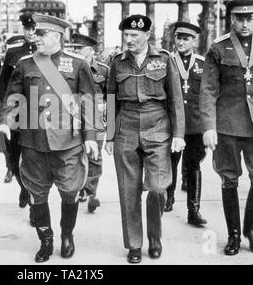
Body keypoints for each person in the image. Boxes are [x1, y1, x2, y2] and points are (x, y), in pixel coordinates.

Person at [0, 14, 98, 263]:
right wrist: (5, 122)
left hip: (68, 143)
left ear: (57, 37)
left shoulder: (77, 64)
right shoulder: (24, 64)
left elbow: (89, 103)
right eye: (36, 33)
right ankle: (46, 239)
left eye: (42, 34)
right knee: (36, 194)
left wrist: (91, 137)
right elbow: (12, 98)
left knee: (70, 191)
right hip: (34, 142)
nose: (36, 38)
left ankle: (67, 234)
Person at [105, 14, 185, 264]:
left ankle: (155, 237)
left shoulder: (163, 59)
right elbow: (110, 101)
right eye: (126, 35)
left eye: (134, 36)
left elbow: (175, 100)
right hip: (126, 127)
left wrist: (179, 134)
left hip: (157, 126)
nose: (129, 40)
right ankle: (135, 244)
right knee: (128, 190)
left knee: (158, 188)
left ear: (147, 36)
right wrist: (109, 137)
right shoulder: (117, 62)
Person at [200, 0, 253, 256]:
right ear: (231, 18)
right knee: (229, 179)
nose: (245, 23)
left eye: (250, 18)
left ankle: (250, 229)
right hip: (228, 125)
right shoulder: (219, 48)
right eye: (240, 18)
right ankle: (233, 235)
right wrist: (209, 127)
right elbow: (208, 90)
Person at [164, 22, 207, 226]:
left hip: (196, 124)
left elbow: (208, 96)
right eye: (178, 38)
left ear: (194, 41)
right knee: (171, 161)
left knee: (194, 165)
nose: (181, 42)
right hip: (172, 124)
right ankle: (168, 197)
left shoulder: (203, 63)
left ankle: (194, 209)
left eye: (186, 39)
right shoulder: (167, 61)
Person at [0, 12, 37, 225]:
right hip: (15, 115)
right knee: (13, 158)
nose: (31, 32)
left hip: (37, 117)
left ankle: (32, 201)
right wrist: (2, 114)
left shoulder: (45, 52)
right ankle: (23, 188)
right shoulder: (13, 53)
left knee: (32, 161)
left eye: (34, 28)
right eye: (27, 28)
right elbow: (3, 84)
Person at [71, 33, 109, 213]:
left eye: (81, 49)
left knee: (95, 155)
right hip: (75, 119)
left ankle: (91, 191)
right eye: (75, 49)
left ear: (91, 51)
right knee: (77, 155)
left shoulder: (103, 70)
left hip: (97, 120)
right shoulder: (71, 67)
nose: (77, 52)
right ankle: (80, 188)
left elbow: (111, 97)